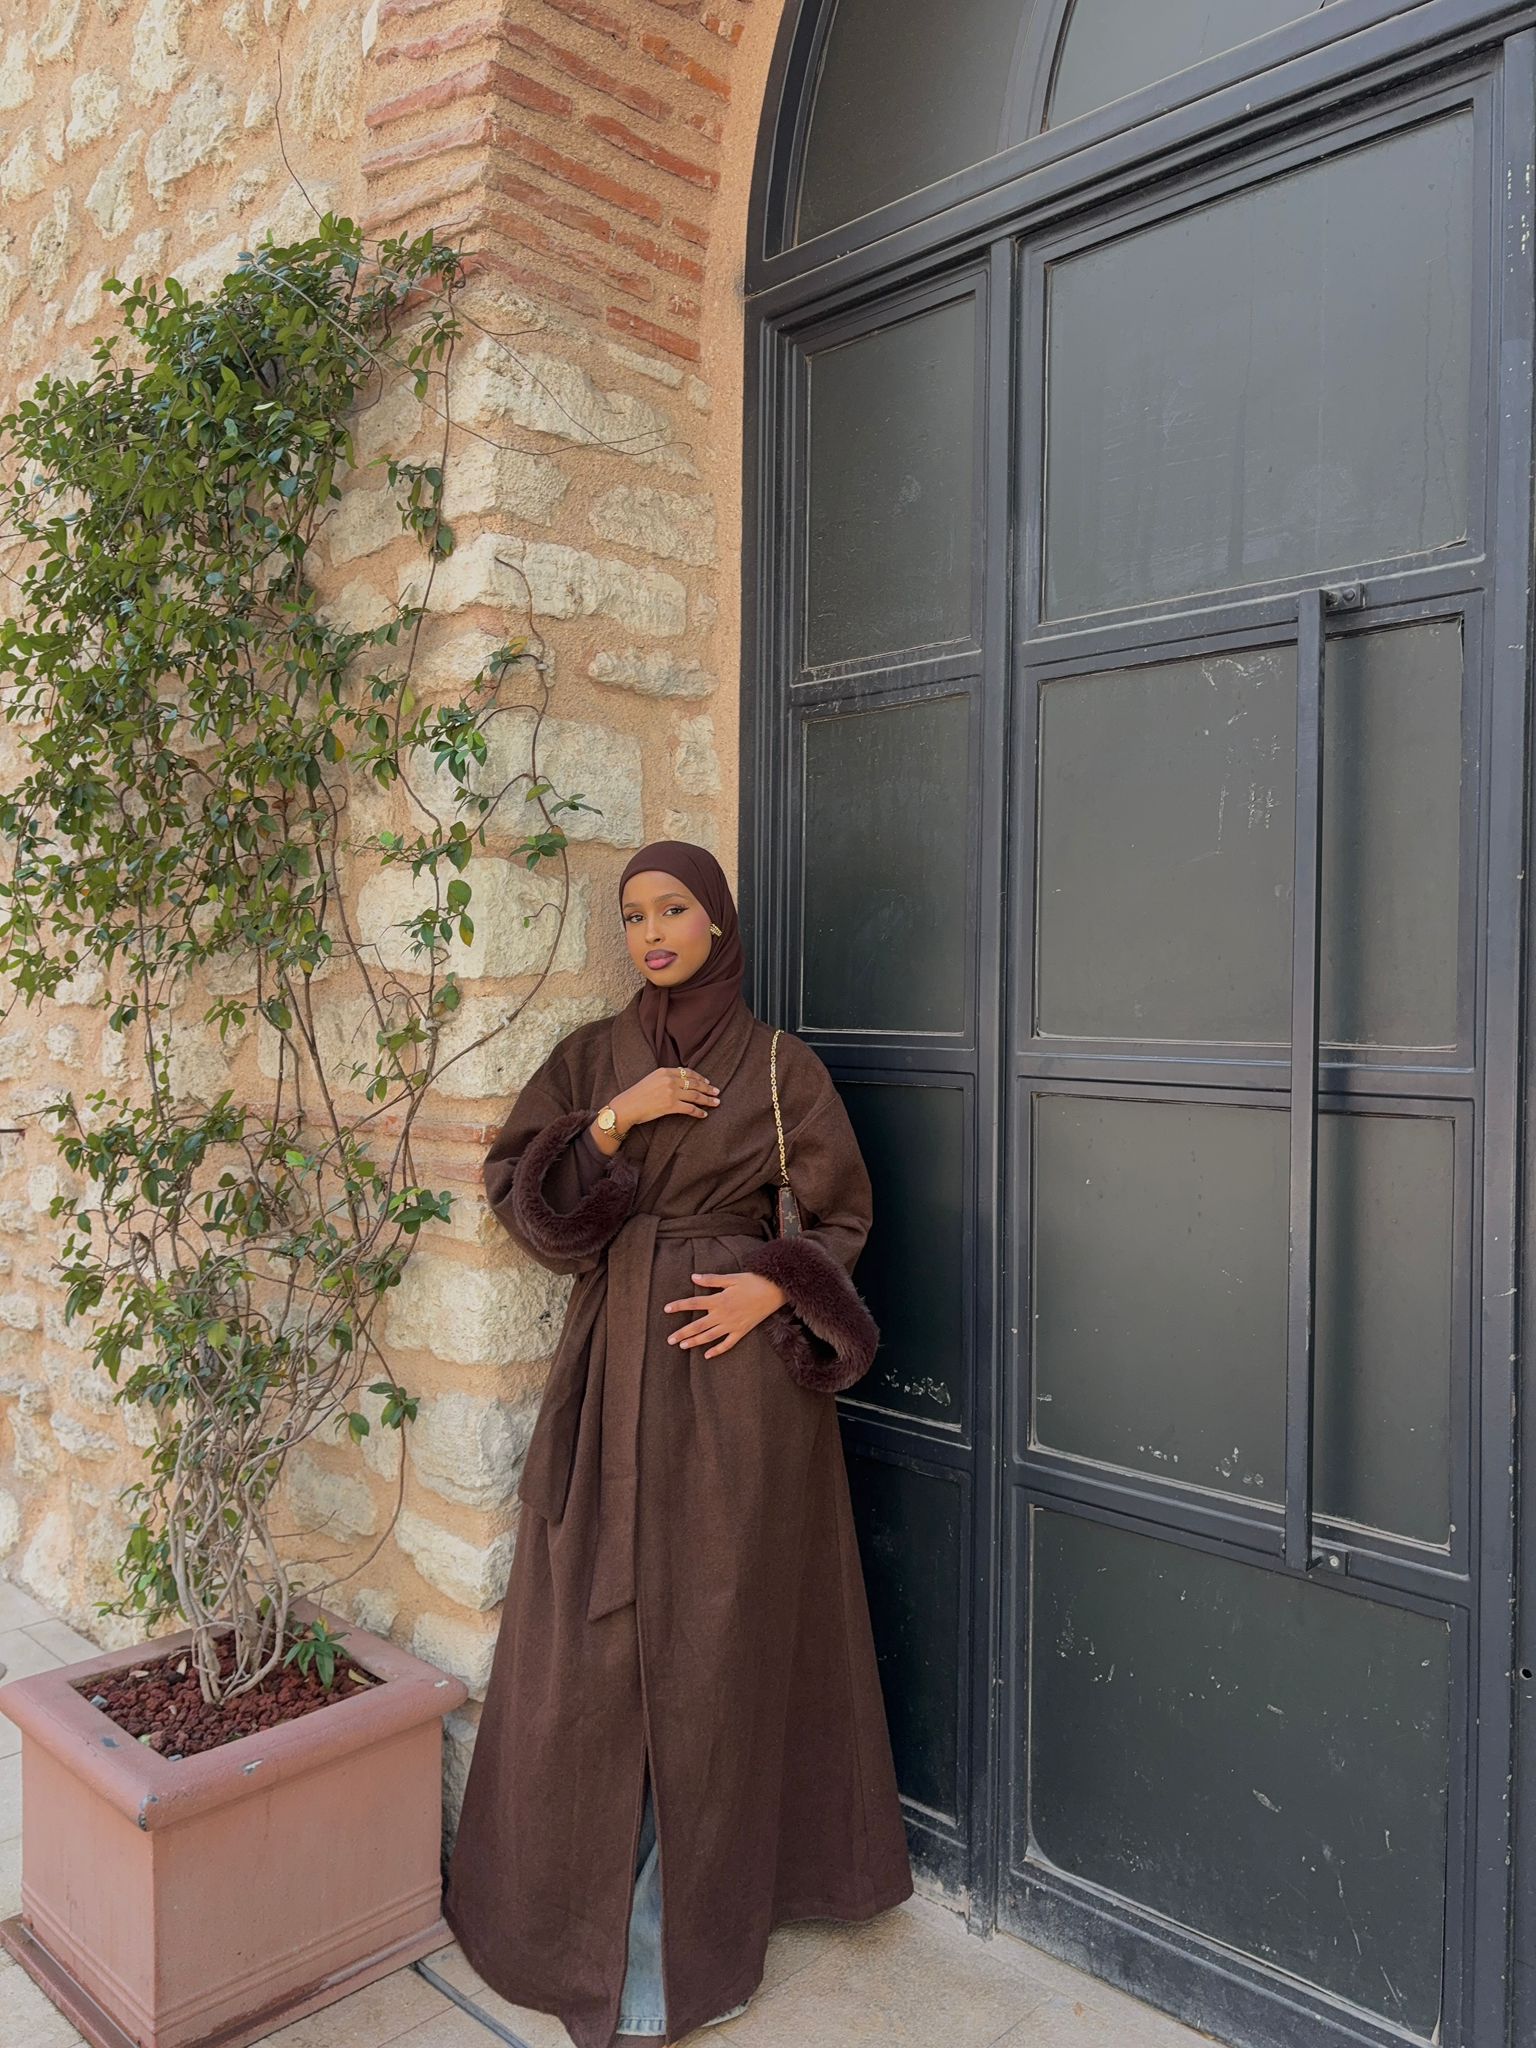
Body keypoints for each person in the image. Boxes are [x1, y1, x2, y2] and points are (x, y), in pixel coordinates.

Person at [442, 839, 913, 2048]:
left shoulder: (777, 1064)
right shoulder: (595, 1057)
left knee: (715, 1646)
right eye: (634, 913)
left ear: (718, 922)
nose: (652, 931)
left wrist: (774, 1286)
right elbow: (523, 1197)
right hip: (610, 1388)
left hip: (740, 1407)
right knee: (598, 1654)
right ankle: (571, 1926)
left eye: (675, 909)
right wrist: (612, 1123)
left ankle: (678, 1937)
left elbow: (843, 1212)